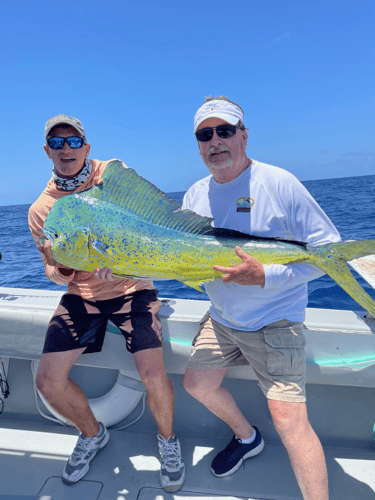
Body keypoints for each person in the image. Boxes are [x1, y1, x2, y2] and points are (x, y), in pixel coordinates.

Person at [182, 96, 341, 500]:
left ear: (244, 136)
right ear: (198, 144)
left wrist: (265, 277)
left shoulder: (279, 183)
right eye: (206, 134)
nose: (215, 141)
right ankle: (246, 437)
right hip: (222, 320)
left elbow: (329, 254)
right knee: (197, 384)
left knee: (288, 419)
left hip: (276, 322)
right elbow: (180, 262)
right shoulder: (194, 197)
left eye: (225, 131)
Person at [28, 114, 185, 492]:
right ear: (47, 151)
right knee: (48, 382)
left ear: (86, 146)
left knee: (152, 373)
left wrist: (124, 266)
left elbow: (147, 224)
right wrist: (65, 268)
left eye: (73, 141)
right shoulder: (40, 210)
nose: (66, 149)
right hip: (82, 294)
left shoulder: (111, 173)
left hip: (133, 287)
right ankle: (92, 433)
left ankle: (168, 442)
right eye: (57, 143)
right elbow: (50, 270)